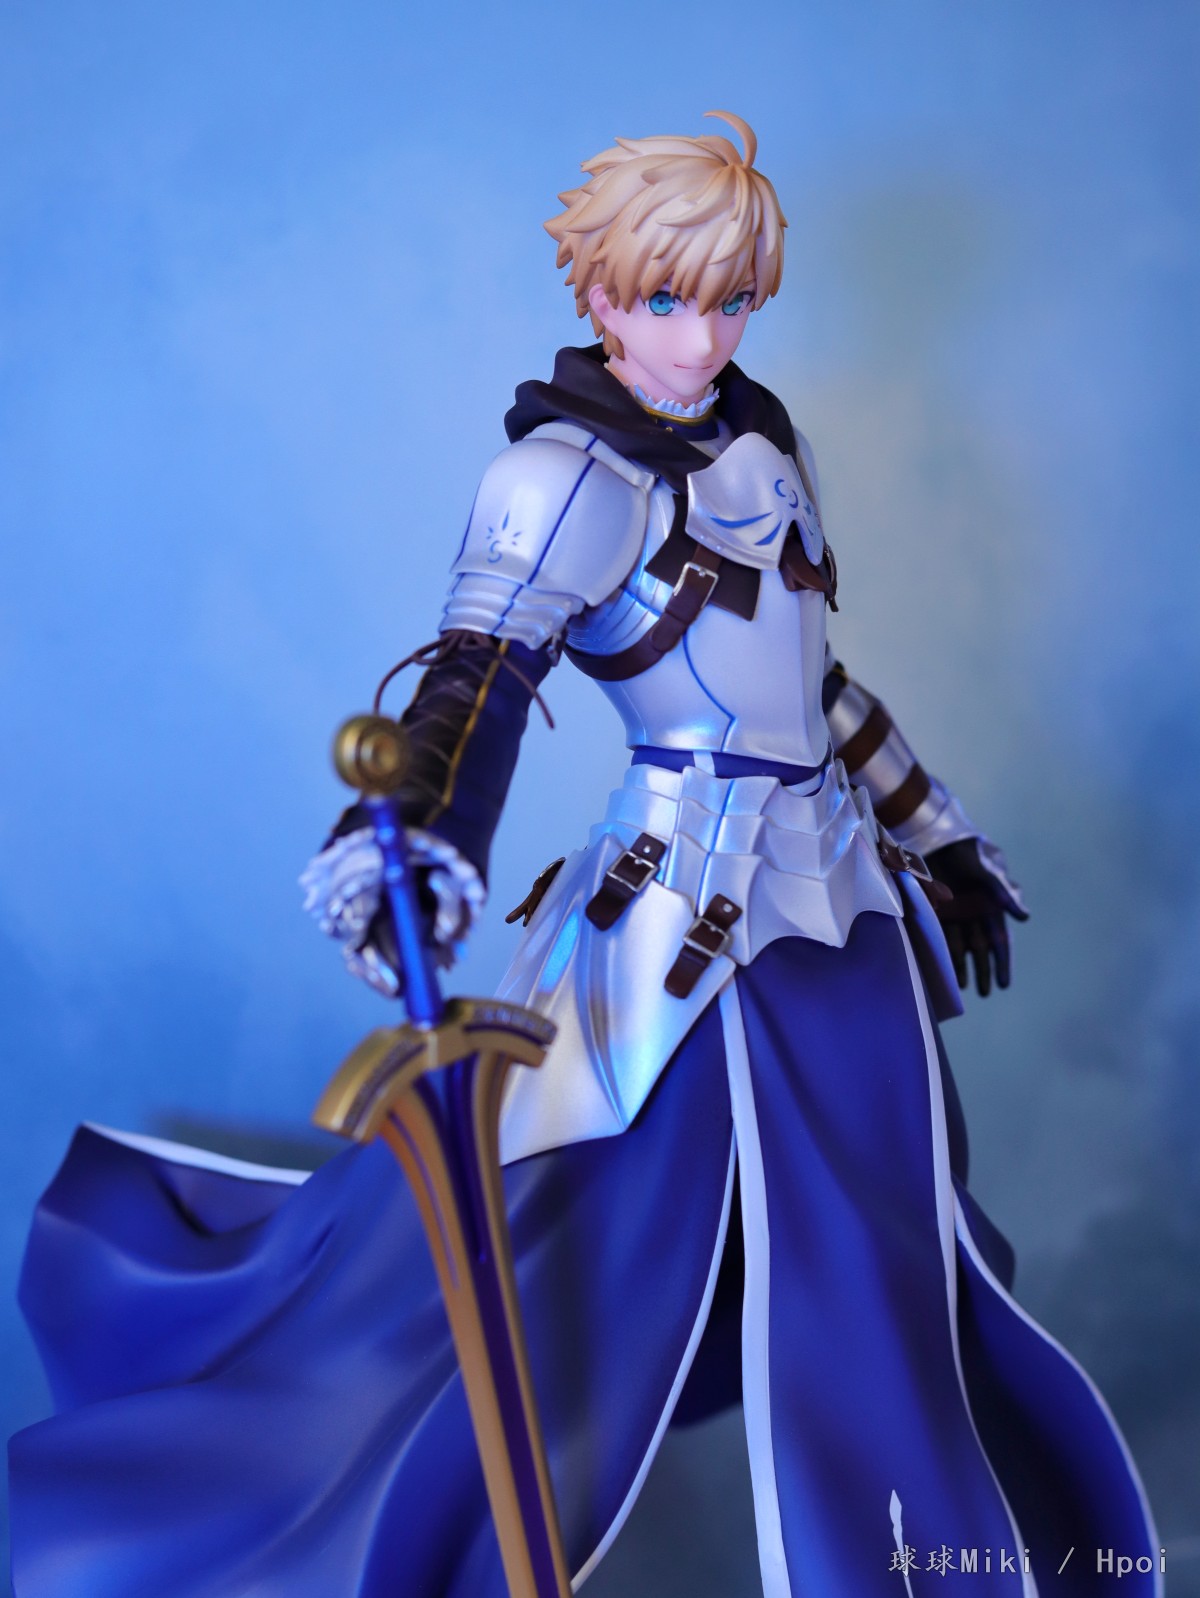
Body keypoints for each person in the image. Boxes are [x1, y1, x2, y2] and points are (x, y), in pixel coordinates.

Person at [10, 113, 1158, 1597]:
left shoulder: (768, 445)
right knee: (556, 1277)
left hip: (839, 919)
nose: (703, 336)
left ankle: (935, 1556)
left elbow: (811, 683)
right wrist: (418, 840)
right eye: (667, 299)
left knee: (897, 1268)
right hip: (678, 937)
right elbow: (476, 682)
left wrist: (930, 829)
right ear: (602, 295)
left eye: (732, 301)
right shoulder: (564, 483)